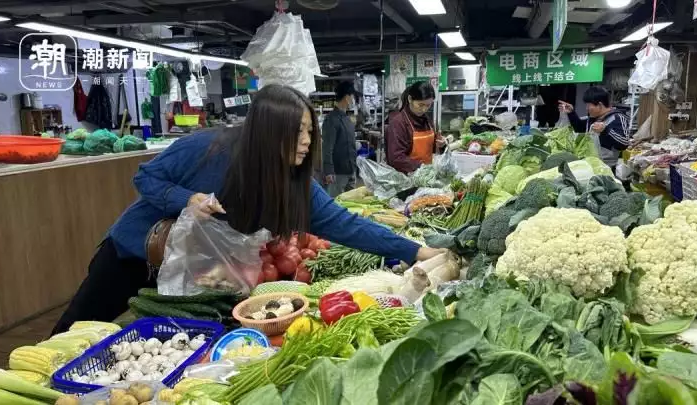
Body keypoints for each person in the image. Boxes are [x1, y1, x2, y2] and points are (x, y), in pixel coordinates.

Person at [51, 84, 444, 334]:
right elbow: (145, 178)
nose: (306, 141)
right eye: (297, 132)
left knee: (153, 345)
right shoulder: (208, 149)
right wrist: (185, 200)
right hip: (133, 254)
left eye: (310, 131)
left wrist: (418, 252)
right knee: (74, 333)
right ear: (268, 132)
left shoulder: (296, 185)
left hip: (193, 279)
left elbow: (347, 225)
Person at [558, 86, 630, 169]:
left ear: (599, 105)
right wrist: (571, 113)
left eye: (588, 105)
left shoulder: (618, 118)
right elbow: (579, 128)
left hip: (606, 167)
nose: (587, 108)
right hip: (589, 164)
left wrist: (606, 130)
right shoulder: (592, 118)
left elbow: (624, 143)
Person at [385, 81, 445, 174]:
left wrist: (441, 145)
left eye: (428, 105)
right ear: (410, 99)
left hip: (426, 176)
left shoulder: (427, 121)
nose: (424, 109)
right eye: (420, 105)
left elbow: (432, 150)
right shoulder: (398, 124)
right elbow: (396, 158)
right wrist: (422, 167)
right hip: (406, 179)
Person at [322, 81, 357, 197]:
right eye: (353, 97)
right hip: (338, 173)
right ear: (347, 97)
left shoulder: (347, 119)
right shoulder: (331, 119)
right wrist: (328, 170)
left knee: (351, 206)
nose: (354, 100)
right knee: (336, 204)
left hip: (350, 170)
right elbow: (327, 147)